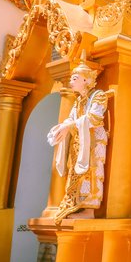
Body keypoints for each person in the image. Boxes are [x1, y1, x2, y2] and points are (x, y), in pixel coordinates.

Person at [47, 51, 110, 225]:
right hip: (80, 141)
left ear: (86, 80)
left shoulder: (98, 95)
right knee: (76, 174)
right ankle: (76, 205)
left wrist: (70, 125)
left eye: (75, 78)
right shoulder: (79, 101)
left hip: (93, 142)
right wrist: (64, 126)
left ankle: (88, 210)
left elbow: (94, 118)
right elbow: (72, 117)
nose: (71, 81)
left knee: (91, 173)